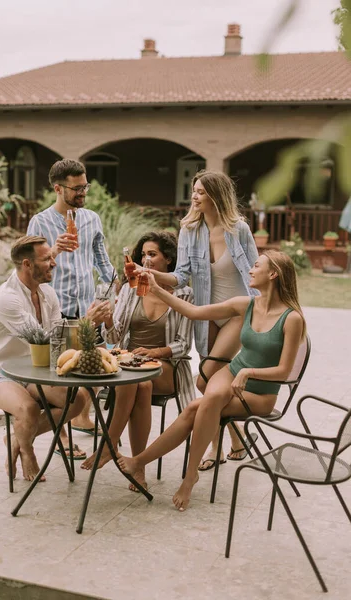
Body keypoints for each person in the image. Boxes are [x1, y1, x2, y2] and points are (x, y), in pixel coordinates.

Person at [118, 250, 305, 511]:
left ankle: (180, 474)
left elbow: (284, 371)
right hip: (231, 375)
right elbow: (193, 312)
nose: (250, 270)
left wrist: (249, 373)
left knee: (199, 407)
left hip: (260, 393)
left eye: (256, 266)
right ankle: (160, 468)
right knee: (209, 401)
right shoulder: (246, 304)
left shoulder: (292, 318)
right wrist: (156, 288)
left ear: (273, 274)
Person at [146, 170, 259, 469]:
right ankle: (233, 441)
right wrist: (151, 273)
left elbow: (255, 275)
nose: (194, 196)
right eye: (193, 191)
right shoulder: (189, 231)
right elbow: (181, 277)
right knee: (211, 385)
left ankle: (215, 448)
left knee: (205, 378)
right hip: (207, 312)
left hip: (237, 312)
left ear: (216, 195)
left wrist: (263, 314)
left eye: (200, 192)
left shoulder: (239, 230)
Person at [0, 235, 104, 482]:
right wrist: (85, 323)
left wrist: (87, 329)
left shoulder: (47, 293)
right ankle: (28, 451)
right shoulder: (6, 298)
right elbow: (43, 341)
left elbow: (58, 341)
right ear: (27, 265)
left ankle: (18, 439)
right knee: (28, 409)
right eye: (47, 259)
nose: (54, 263)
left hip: (32, 371)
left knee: (77, 399)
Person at [82, 231, 195, 491]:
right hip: (130, 364)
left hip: (166, 367)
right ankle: (138, 467)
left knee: (139, 380)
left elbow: (183, 344)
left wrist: (155, 352)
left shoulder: (184, 294)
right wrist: (108, 320)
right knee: (139, 385)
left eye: (152, 254)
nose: (146, 259)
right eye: (143, 254)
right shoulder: (133, 289)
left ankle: (109, 445)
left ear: (168, 259)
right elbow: (114, 337)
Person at [27, 158, 115, 436]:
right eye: (76, 188)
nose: (82, 193)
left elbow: (103, 262)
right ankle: (62, 438)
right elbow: (29, 270)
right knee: (59, 378)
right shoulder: (39, 222)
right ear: (58, 188)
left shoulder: (92, 219)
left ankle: (82, 417)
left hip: (87, 309)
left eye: (84, 186)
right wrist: (53, 251)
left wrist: (120, 286)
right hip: (56, 311)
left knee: (95, 367)